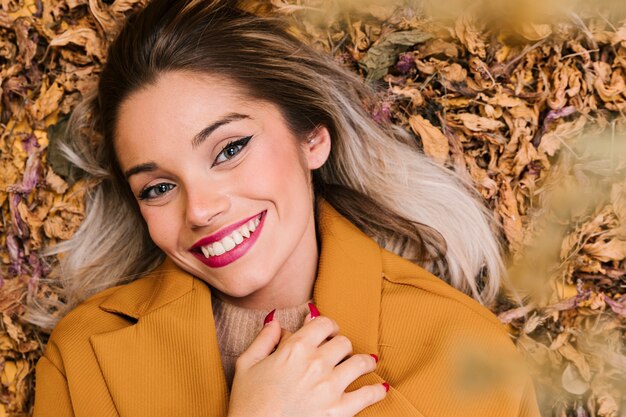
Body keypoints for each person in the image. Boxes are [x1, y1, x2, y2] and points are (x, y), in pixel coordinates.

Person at [31, 0, 541, 416]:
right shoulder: (85, 359)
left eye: (229, 150)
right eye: (158, 187)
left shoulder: (464, 352)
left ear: (313, 139)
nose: (202, 209)